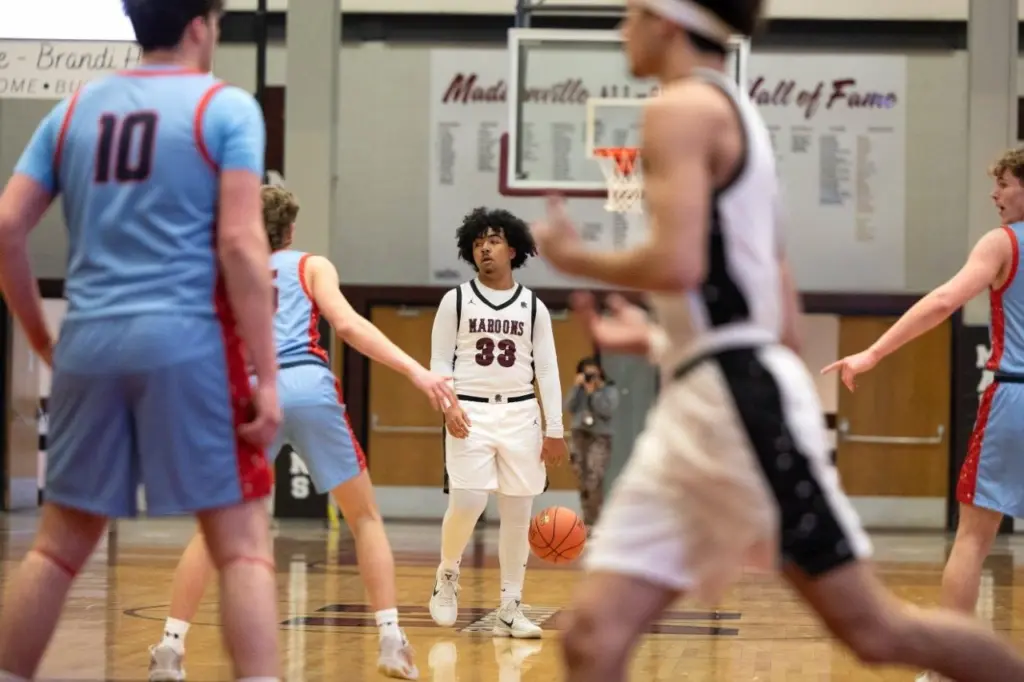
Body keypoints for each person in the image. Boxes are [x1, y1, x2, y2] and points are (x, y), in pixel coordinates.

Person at [532, 1, 1024, 681]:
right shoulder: (743, 120)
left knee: (876, 629)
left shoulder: (680, 109)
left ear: (667, 21)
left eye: (632, 11)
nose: (622, 28)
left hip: (737, 400)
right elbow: (777, 314)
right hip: (717, 389)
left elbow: (678, 264)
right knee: (591, 636)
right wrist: (665, 343)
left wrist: (574, 257)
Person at [0, 1, 284, 680]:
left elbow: (7, 227)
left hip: (88, 344)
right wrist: (269, 376)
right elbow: (241, 243)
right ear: (200, 25)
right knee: (242, 546)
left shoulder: (72, 111)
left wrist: (42, 337)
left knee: (57, 548)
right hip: (188, 342)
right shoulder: (225, 108)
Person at [147, 185, 458, 681]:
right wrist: (417, 372)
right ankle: (391, 640)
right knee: (365, 518)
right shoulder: (311, 266)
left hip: (252, 396)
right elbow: (348, 326)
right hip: (308, 386)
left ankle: (170, 646)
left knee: (215, 530)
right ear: (290, 230)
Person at [823, 147, 1024, 682]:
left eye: (1005, 183)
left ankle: (947, 669)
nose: (995, 194)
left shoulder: (1003, 242)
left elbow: (943, 302)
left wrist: (873, 353)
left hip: (1014, 398)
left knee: (974, 537)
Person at [428, 206, 568, 638]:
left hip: (521, 413)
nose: (484, 249)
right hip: (469, 411)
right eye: (477, 243)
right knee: (468, 502)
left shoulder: (533, 307)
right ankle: (447, 572)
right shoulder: (455, 300)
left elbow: (548, 370)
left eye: (493, 241)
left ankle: (510, 605)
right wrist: (449, 405)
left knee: (517, 511)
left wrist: (555, 429)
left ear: (512, 249)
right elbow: (439, 362)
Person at [565, 357, 620, 530]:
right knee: (582, 476)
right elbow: (569, 406)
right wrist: (577, 387)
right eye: (586, 373)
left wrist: (593, 393)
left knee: (594, 477)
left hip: (600, 436)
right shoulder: (579, 388)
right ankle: (588, 519)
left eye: (593, 374)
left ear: (600, 373)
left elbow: (607, 410)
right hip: (579, 434)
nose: (590, 377)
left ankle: (594, 521)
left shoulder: (609, 389)